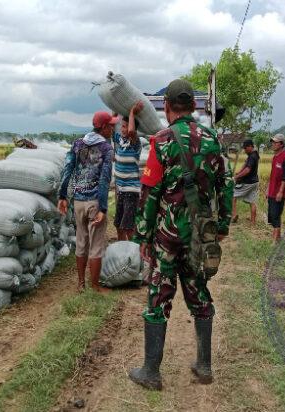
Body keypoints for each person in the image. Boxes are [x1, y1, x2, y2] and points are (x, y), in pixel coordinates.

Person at [129, 79, 234, 390]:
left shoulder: (161, 141)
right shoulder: (214, 140)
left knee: (158, 296)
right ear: (195, 107)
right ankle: (204, 366)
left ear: (166, 106)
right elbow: (225, 186)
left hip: (168, 237)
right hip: (200, 236)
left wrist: (143, 237)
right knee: (198, 293)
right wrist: (223, 226)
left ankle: (151, 371)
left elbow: (149, 193)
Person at [58, 111, 115, 293]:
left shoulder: (78, 144)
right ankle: (95, 286)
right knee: (96, 245)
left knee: (81, 242)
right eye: (111, 126)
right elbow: (105, 180)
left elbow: (67, 169)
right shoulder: (106, 149)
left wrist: (62, 196)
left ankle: (81, 284)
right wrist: (103, 208)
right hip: (94, 202)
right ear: (104, 127)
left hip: (78, 202)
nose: (113, 129)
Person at [113, 101, 144, 240]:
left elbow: (131, 132)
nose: (123, 129)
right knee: (118, 225)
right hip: (120, 190)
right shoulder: (120, 140)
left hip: (131, 191)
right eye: (122, 126)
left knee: (128, 227)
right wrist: (114, 110)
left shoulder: (135, 143)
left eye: (125, 126)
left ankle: (133, 254)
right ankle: (121, 252)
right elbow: (110, 125)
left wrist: (132, 112)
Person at [266, 133, 285, 242]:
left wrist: (281, 192)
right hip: (272, 190)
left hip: (278, 192)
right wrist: (268, 189)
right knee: (272, 216)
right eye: (272, 142)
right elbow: (272, 175)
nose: (273, 144)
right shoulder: (275, 157)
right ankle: (279, 237)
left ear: (281, 144)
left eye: (275, 142)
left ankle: (274, 241)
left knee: (275, 216)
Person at [231, 139, 260, 224]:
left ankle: (234, 215)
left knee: (232, 195)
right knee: (252, 202)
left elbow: (247, 169)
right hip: (255, 182)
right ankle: (253, 222)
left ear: (250, 146)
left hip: (248, 182)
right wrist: (239, 172)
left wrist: (236, 177)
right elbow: (245, 164)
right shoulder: (255, 154)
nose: (245, 150)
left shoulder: (252, 156)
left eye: (246, 148)